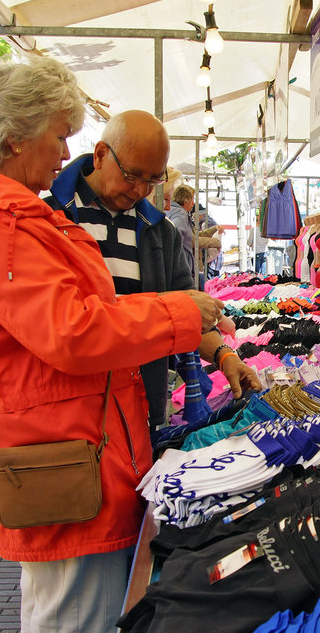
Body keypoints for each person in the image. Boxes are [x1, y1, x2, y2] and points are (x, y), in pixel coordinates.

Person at [0, 58, 226, 633]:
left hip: (71, 446)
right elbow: (73, 331)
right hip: (62, 453)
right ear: (13, 138)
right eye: (56, 134)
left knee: (66, 626)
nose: (63, 150)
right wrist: (180, 314)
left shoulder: (5, 214)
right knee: (68, 630)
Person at [47, 111, 259, 428]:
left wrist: (224, 356)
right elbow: (62, 323)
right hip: (68, 412)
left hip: (142, 408)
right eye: (132, 175)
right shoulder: (50, 219)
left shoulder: (161, 232)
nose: (140, 190)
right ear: (102, 154)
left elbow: (188, 315)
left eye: (153, 180)